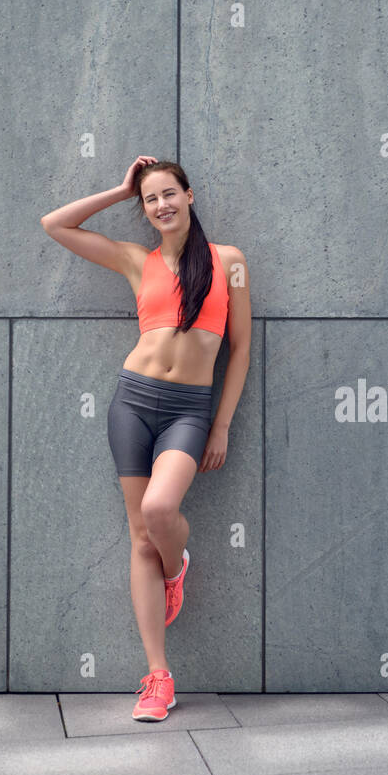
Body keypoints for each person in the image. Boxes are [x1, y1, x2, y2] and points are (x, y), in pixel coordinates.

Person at [40, 156, 251, 721]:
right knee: (139, 537)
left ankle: (176, 564)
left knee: (160, 510)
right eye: (150, 199)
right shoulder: (139, 262)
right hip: (132, 402)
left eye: (169, 194)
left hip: (188, 409)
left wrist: (222, 424)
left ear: (190, 195)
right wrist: (120, 187)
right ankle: (158, 678)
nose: (161, 206)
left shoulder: (228, 262)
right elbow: (55, 225)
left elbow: (241, 350)